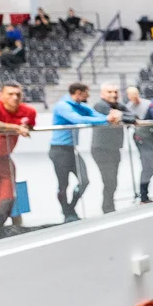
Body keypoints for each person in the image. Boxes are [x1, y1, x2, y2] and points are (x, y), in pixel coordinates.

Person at [50, 83, 120, 222]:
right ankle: (67, 212)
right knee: (63, 185)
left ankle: (70, 208)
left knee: (84, 181)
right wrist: (106, 119)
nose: (88, 96)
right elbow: (78, 119)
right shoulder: (63, 105)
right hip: (59, 150)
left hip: (72, 150)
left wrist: (110, 117)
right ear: (78, 93)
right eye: (86, 93)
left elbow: (95, 115)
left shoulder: (79, 106)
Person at [0, 82, 37, 228]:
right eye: (10, 94)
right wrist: (16, 127)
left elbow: (29, 125)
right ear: (1, 95)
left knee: (7, 199)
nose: (15, 97)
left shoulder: (28, 111)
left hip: (4, 159)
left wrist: (24, 127)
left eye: (18, 94)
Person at [91, 82, 135, 214]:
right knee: (109, 179)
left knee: (113, 179)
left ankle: (109, 206)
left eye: (115, 92)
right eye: (109, 92)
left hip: (115, 148)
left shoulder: (118, 106)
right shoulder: (100, 105)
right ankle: (107, 207)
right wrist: (121, 116)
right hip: (101, 149)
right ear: (102, 94)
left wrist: (121, 116)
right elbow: (115, 117)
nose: (113, 95)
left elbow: (132, 117)